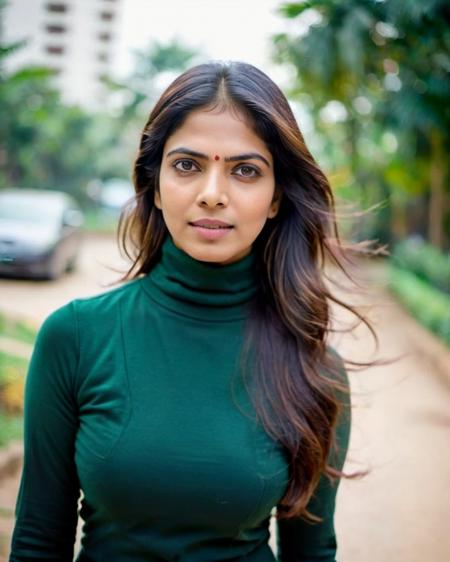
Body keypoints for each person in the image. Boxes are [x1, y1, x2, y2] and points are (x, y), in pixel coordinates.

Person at [10, 61, 379, 561]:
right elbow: (38, 537)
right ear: (155, 185)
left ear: (275, 199)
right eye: (187, 165)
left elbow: (312, 552)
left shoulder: (315, 367)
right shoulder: (75, 338)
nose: (212, 194)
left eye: (245, 171)